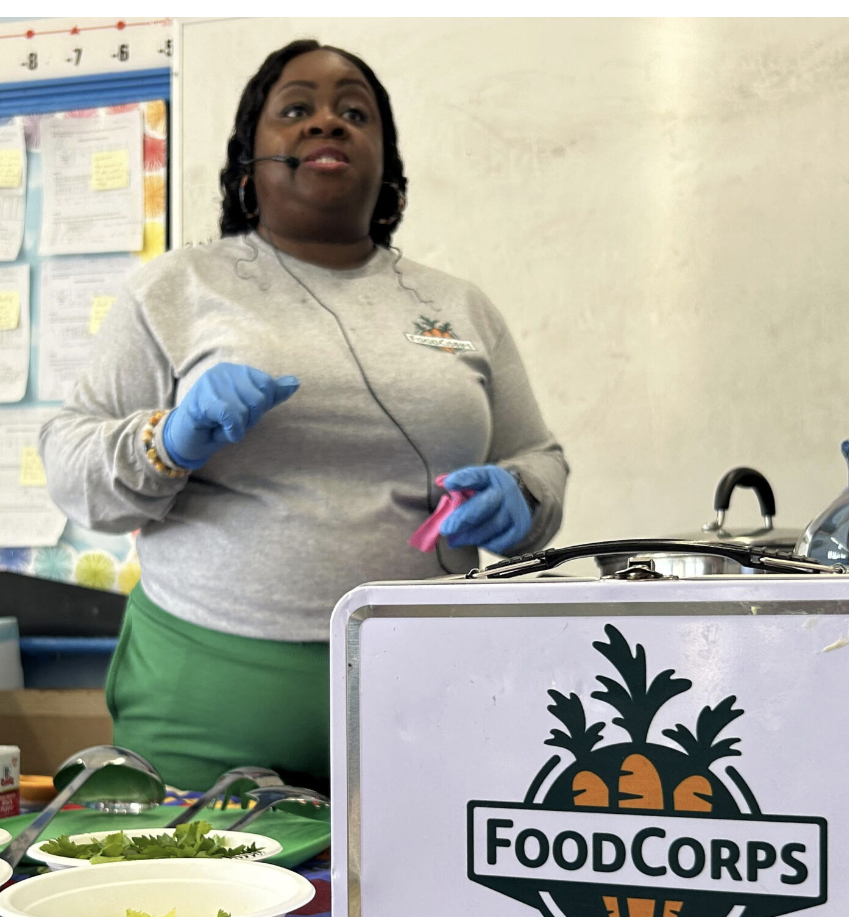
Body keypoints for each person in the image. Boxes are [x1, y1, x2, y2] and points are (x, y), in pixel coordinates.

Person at [41, 40, 569, 792]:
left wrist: (523, 499)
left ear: (385, 162)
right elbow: (71, 473)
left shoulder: (457, 306)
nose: (329, 124)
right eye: (297, 110)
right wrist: (170, 437)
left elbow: (539, 456)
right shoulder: (174, 289)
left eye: (355, 113)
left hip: (431, 703)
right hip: (202, 713)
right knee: (190, 905)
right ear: (248, 159)